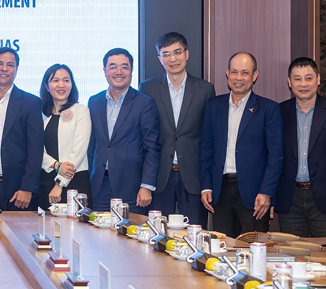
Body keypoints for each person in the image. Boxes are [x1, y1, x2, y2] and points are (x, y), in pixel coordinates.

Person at [200, 52, 283, 236]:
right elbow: (206, 149)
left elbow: (275, 156)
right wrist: (206, 186)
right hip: (220, 191)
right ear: (227, 73)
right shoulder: (213, 106)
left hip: (255, 196)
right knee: (222, 245)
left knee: (253, 247)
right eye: (234, 72)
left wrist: (267, 192)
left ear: (254, 76)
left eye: (245, 73)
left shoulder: (269, 109)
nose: (239, 78)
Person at [139, 32, 215, 227]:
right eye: (166, 54)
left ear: (187, 54)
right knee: (158, 233)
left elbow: (209, 138)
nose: (172, 59)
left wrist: (207, 183)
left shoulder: (205, 89)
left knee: (195, 232)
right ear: (159, 59)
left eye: (177, 52)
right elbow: (144, 136)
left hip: (193, 176)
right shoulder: (148, 88)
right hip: (159, 176)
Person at [87, 48, 161, 215]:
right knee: (97, 231)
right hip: (99, 187)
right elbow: (91, 145)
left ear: (131, 70)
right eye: (113, 67)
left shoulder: (144, 103)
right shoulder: (94, 101)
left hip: (132, 189)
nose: (118, 72)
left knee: (130, 231)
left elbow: (152, 148)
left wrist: (146, 186)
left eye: (124, 67)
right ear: (104, 70)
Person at [0, 47, 44, 211]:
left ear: (16, 69)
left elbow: (35, 149)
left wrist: (28, 187)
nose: (4, 69)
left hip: (18, 188)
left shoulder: (31, 103)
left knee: (18, 229)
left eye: (10, 65)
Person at [275, 57, 326, 236]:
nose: (303, 84)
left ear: (318, 79)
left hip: (322, 197)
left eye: (308, 78)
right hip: (291, 199)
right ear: (289, 82)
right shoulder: (278, 112)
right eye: (297, 79)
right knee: (293, 251)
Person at [38, 63, 91, 209]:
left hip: (75, 180)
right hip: (46, 179)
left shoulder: (81, 111)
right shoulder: (39, 113)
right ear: (47, 86)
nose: (61, 85)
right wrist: (56, 165)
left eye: (66, 80)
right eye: (55, 80)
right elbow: (35, 148)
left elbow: (79, 150)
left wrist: (60, 183)